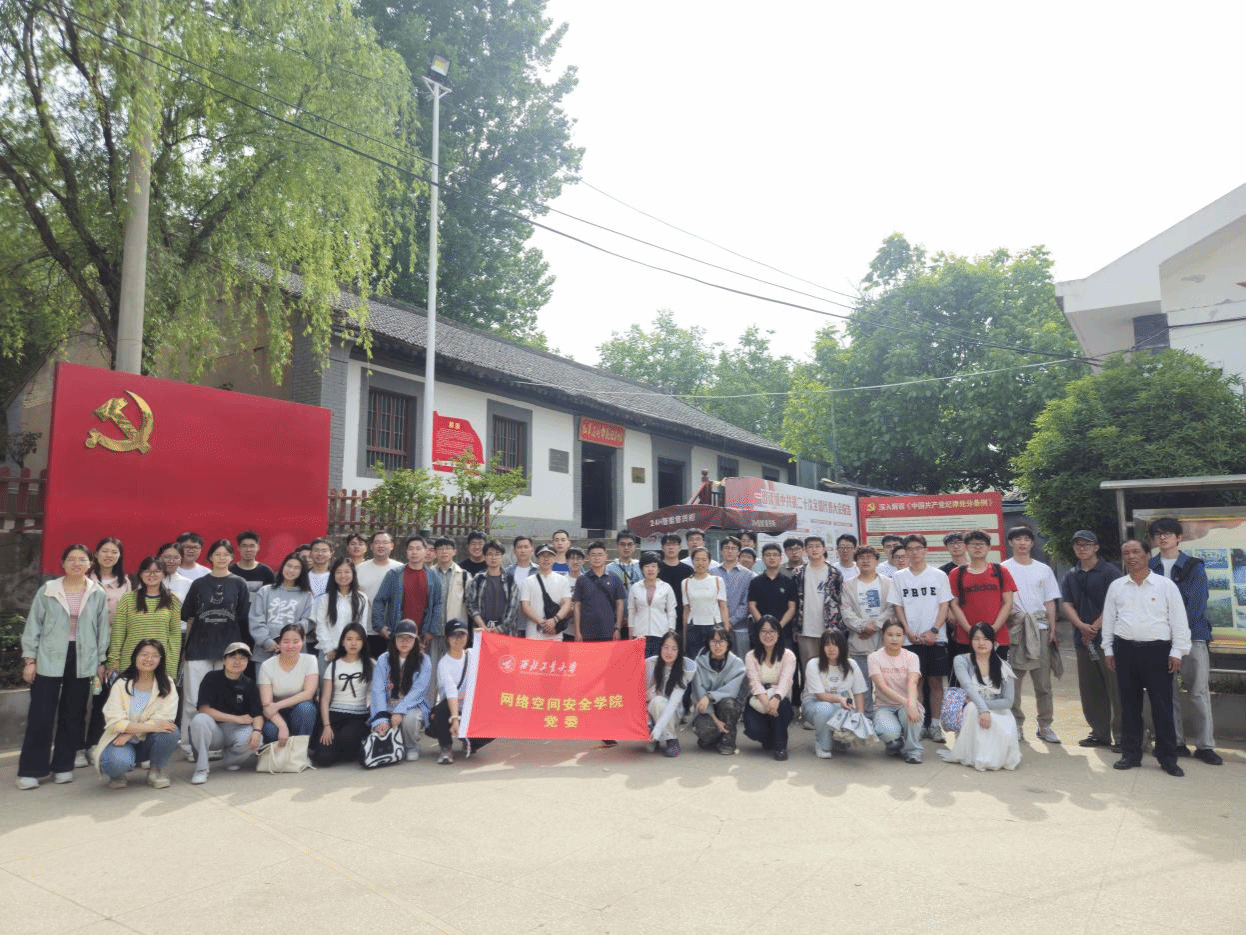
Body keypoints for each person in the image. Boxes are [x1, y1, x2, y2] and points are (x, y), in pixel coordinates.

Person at [17, 544, 109, 790]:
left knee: (74, 714)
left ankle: (63, 766)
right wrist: (30, 659)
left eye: (82, 559)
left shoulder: (97, 592)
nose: (77, 563)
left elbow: (102, 629)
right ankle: (31, 770)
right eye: (71, 559)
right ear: (63, 562)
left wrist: (100, 661)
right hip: (49, 657)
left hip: (83, 658)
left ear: (90, 563)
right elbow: (33, 625)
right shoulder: (48, 590)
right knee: (41, 714)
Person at [1103, 539, 1190, 776]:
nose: (1131, 557)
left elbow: (1179, 621)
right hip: (1125, 650)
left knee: (1162, 706)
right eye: (1126, 553)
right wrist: (1108, 650)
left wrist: (1177, 651)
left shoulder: (1165, 585)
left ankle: (1167, 757)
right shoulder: (1117, 586)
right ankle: (1131, 754)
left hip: (1158, 652)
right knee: (1129, 706)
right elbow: (1109, 620)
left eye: (1136, 552)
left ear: (1148, 555)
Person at [1148, 517, 1222, 765]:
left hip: (1193, 637)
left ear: (1179, 537)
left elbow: (1196, 605)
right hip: (1160, 640)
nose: (1163, 537)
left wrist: (1176, 634)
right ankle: (1176, 742)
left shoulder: (1194, 567)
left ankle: (1205, 746)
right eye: (1158, 533)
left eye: (1168, 533)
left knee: (1198, 692)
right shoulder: (1150, 566)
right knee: (1167, 694)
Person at [1060, 530, 1124, 751]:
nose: (1082, 548)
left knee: (1117, 689)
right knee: (1091, 689)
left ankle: (1123, 735)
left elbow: (1116, 604)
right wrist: (1081, 626)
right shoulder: (1070, 575)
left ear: (1096, 547)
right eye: (1078, 545)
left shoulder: (1110, 572)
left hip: (1109, 641)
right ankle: (1099, 733)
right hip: (1083, 641)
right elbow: (1067, 604)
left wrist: (1095, 627)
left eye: (1087, 544)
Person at [180, 539, 251, 734]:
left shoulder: (239, 583)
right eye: (217, 554)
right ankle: (189, 743)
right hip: (199, 647)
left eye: (226, 554)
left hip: (228, 648)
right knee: (193, 699)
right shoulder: (199, 584)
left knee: (222, 699)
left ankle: (218, 743)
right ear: (210, 557)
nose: (221, 558)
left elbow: (243, 616)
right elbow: (186, 613)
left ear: (232, 557)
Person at [888, 534, 951, 743]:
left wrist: (934, 630)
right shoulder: (899, 577)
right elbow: (897, 606)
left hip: (936, 638)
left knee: (935, 682)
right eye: (910, 549)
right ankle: (919, 724)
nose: (914, 552)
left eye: (918, 548)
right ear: (905, 552)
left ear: (925, 550)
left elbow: (944, 605)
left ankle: (935, 725)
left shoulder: (939, 575)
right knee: (915, 682)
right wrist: (907, 630)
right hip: (910, 638)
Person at [1003, 526, 1063, 744]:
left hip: (1040, 629)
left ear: (1032, 543)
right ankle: (1016, 725)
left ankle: (1045, 725)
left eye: (1026, 539)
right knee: (1013, 682)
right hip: (1015, 630)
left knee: (1043, 683)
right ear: (1010, 542)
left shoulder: (1043, 569)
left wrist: (1053, 629)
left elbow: (1050, 601)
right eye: (1017, 539)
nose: (1022, 543)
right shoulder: (1003, 569)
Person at [94, 639, 181, 789]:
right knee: (117, 762)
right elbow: (115, 723)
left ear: (161, 660)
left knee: (170, 731)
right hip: (119, 740)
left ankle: (155, 772)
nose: (149, 659)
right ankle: (116, 774)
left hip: (145, 740)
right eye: (144, 654)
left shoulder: (167, 684)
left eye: (155, 655)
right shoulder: (121, 684)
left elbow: (164, 720)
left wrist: (130, 733)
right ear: (135, 657)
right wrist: (146, 728)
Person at [938, 623, 1022, 771]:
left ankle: (993, 756)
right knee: (972, 708)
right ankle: (974, 755)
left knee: (1001, 723)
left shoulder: (1004, 667)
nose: (981, 643)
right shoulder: (961, 660)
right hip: (972, 708)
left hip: (998, 709)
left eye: (985, 639)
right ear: (971, 641)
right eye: (976, 639)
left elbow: (1008, 701)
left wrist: (985, 707)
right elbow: (968, 687)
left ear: (994, 642)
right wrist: (982, 710)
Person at [83, 536, 131, 761]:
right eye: (105, 551)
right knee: (82, 696)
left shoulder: (125, 581)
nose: (109, 555)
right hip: (87, 644)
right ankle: (81, 746)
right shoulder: (85, 579)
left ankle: (100, 743)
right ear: (96, 554)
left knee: (106, 696)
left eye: (114, 552)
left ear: (120, 556)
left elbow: (127, 616)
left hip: (115, 645)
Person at [188, 642, 264, 784]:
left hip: (235, 731)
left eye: (242, 658)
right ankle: (201, 769)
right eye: (232, 657)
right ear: (224, 660)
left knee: (258, 739)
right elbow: (204, 709)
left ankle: (230, 760)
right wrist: (236, 719)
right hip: (213, 730)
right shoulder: (211, 678)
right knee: (199, 720)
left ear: (247, 662)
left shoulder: (249, 684)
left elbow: (257, 714)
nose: (237, 661)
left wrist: (257, 730)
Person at [947, 530, 1016, 671]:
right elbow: (954, 604)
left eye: (981, 544)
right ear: (966, 547)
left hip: (997, 637)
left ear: (989, 547)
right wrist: (971, 631)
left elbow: (1008, 603)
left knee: (997, 678)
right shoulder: (956, 574)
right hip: (966, 638)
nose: (977, 547)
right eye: (973, 544)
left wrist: (992, 629)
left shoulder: (1000, 571)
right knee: (967, 679)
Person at [107, 557, 183, 684]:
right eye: (147, 571)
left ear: (164, 574)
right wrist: (113, 662)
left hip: (160, 664)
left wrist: (170, 668)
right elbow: (118, 633)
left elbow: (174, 636)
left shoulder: (172, 601)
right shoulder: (128, 599)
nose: (152, 575)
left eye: (157, 571)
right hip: (130, 662)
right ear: (141, 574)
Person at [428, 619, 492, 763]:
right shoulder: (444, 663)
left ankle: (470, 743)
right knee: (441, 710)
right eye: (454, 635)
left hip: (471, 706)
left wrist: (483, 637)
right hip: (452, 707)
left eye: (462, 635)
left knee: (492, 720)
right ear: (447, 638)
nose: (458, 639)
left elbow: (492, 655)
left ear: (467, 636)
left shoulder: (473, 654)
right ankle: (446, 747)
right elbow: (451, 692)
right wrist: (455, 719)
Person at [840, 545, 892, 716]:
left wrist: (875, 625)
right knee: (862, 682)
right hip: (859, 638)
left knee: (886, 681)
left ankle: (885, 714)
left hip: (884, 638)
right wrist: (863, 626)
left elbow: (892, 608)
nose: (865, 561)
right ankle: (867, 715)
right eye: (861, 557)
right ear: (856, 561)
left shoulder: (888, 583)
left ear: (877, 561)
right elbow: (846, 611)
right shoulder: (848, 585)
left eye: (870, 557)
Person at [369, 619, 431, 760]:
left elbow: (419, 690)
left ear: (415, 640)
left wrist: (400, 711)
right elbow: (378, 689)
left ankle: (411, 746)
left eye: (409, 638)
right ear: (394, 639)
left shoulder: (424, 660)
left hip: (413, 706)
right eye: (400, 638)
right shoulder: (383, 659)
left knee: (410, 719)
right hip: (387, 705)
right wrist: (381, 716)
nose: (404, 642)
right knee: (380, 727)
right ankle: (394, 745)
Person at [372, 535, 445, 653]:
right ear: (406, 552)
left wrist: (432, 630)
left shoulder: (433, 577)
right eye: (411, 549)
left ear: (425, 551)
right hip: (397, 632)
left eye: (418, 548)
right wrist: (379, 626)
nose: (414, 552)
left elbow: (438, 604)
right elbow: (379, 600)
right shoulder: (394, 574)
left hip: (422, 634)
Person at [314, 623, 373, 766]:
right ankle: (338, 750)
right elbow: (325, 699)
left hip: (358, 716)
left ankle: (345, 749)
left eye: (358, 639)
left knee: (347, 737)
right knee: (323, 759)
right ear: (342, 642)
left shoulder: (370, 664)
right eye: (349, 639)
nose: (353, 643)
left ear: (363, 642)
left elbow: (377, 693)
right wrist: (326, 726)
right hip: (334, 716)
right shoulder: (334, 665)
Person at [802, 629, 867, 759]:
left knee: (850, 716)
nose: (831, 649)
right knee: (825, 709)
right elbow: (820, 696)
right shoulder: (813, 664)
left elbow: (859, 692)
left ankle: (837, 739)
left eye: (835, 644)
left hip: (842, 701)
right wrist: (840, 699)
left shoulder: (851, 664)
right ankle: (823, 744)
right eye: (827, 644)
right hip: (815, 703)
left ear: (842, 646)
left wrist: (860, 716)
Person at [869, 619, 923, 764]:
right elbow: (882, 687)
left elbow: (913, 682)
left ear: (903, 636)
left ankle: (913, 751)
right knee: (889, 731)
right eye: (890, 635)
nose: (894, 639)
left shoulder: (912, 657)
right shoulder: (874, 657)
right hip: (884, 706)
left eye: (898, 635)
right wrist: (907, 702)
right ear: (883, 635)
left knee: (912, 715)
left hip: (906, 704)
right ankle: (895, 743)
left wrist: (911, 704)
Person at [742, 615, 797, 760]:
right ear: (758, 633)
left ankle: (780, 747)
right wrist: (767, 704)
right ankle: (769, 739)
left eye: (772, 631)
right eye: (764, 631)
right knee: (753, 729)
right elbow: (754, 683)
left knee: (782, 707)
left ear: (778, 634)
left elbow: (785, 681)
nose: (768, 635)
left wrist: (776, 699)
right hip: (758, 700)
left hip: (780, 699)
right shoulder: (751, 656)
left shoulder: (788, 656)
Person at [249, 552, 315, 666]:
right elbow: (256, 619)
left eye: (296, 568)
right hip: (265, 653)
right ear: (283, 566)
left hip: (294, 652)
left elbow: (308, 621)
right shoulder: (265, 591)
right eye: (289, 566)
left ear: (302, 571)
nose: (291, 570)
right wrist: (267, 641)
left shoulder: (307, 596)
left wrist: (288, 641)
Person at [258, 624, 319, 745]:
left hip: (299, 710)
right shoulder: (267, 666)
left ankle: (300, 750)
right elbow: (267, 705)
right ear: (279, 643)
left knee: (306, 709)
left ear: (303, 642)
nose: (290, 646)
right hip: (276, 714)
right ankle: (278, 754)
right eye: (286, 641)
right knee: (270, 730)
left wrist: (277, 705)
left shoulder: (310, 660)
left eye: (296, 641)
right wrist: (282, 727)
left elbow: (308, 694)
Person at [791, 536, 846, 673]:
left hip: (829, 630)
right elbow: (794, 602)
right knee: (809, 669)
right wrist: (795, 627)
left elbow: (841, 601)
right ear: (805, 550)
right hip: (805, 630)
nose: (814, 549)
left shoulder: (834, 573)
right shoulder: (798, 573)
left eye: (817, 546)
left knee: (831, 668)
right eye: (810, 546)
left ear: (824, 549)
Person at [690, 626, 746, 754]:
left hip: (726, 707)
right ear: (708, 643)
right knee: (704, 730)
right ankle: (712, 738)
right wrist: (715, 720)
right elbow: (699, 693)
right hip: (707, 711)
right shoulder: (698, 663)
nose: (718, 645)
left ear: (728, 643)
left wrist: (709, 696)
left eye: (721, 641)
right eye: (714, 641)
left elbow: (731, 691)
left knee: (729, 703)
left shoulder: (737, 664)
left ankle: (728, 742)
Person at [645, 631, 696, 757]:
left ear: (679, 651)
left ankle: (671, 739)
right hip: (650, 710)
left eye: (674, 649)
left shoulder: (683, 670)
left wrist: (657, 731)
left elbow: (672, 704)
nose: (669, 652)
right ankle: (653, 736)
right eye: (666, 647)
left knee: (658, 701)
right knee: (653, 701)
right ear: (660, 647)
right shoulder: (652, 663)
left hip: (673, 713)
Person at [313, 557, 371, 664]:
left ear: (353, 574)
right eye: (338, 572)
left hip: (352, 651)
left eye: (347, 572)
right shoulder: (326, 598)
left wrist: (353, 647)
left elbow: (361, 627)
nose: (343, 576)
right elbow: (321, 625)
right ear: (333, 575)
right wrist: (328, 649)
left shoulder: (362, 598)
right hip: (327, 651)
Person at [747, 542, 797, 665]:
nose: (772, 558)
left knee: (785, 664)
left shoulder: (789, 582)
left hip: (783, 631)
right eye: (768, 555)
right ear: (763, 558)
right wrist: (764, 626)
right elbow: (752, 605)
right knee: (761, 664)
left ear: (780, 558)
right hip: (761, 632)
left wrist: (778, 627)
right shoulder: (755, 582)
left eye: (775, 555)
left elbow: (792, 607)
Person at [573, 542, 626, 642]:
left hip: (609, 631)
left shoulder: (615, 578)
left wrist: (618, 628)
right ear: (588, 557)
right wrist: (577, 631)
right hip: (586, 632)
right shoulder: (581, 580)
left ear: (606, 557)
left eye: (600, 554)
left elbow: (620, 604)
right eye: (593, 555)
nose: (596, 558)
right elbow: (577, 606)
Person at [682, 547, 729, 661]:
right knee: (694, 659)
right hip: (693, 627)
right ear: (692, 561)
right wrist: (684, 635)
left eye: (704, 560)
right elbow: (686, 610)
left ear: (709, 561)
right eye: (697, 559)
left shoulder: (717, 580)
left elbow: (723, 607)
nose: (700, 563)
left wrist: (726, 631)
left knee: (715, 658)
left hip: (714, 625)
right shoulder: (686, 582)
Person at [467, 540, 522, 635]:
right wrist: (483, 627)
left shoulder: (510, 580)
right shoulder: (478, 579)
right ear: (484, 557)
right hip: (481, 631)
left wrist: (498, 629)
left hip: (505, 633)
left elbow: (513, 609)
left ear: (502, 557)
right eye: (490, 554)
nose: (493, 557)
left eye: (497, 554)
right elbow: (471, 605)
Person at [628, 552, 677, 657]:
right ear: (642, 569)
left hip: (661, 633)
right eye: (647, 566)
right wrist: (631, 632)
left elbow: (671, 611)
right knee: (641, 663)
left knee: (658, 664)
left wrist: (671, 631)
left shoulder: (666, 587)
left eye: (653, 566)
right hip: (640, 634)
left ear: (658, 569)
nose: (650, 569)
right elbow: (631, 611)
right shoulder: (635, 588)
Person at [521, 544, 573, 641]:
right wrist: (542, 622)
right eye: (542, 556)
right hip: (533, 633)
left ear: (554, 558)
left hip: (555, 633)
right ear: (537, 558)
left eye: (549, 556)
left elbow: (567, 603)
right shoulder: (528, 581)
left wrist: (554, 620)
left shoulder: (563, 580)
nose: (546, 559)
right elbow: (525, 606)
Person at [713, 536, 754, 652]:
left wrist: (731, 621)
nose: (730, 551)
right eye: (726, 548)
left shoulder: (748, 575)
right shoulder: (713, 573)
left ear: (739, 552)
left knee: (741, 658)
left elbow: (746, 603)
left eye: (733, 548)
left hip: (740, 627)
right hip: (717, 626)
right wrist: (722, 622)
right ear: (721, 551)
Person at [656, 533, 693, 636]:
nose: (671, 547)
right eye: (667, 544)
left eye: (674, 544)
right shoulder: (656, 570)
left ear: (680, 547)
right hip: (660, 619)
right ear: (662, 548)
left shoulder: (688, 571)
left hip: (683, 618)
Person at [355, 531, 405, 602]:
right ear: (371, 546)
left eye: (385, 542)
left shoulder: (400, 569)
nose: (381, 546)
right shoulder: (359, 568)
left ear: (392, 546)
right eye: (377, 542)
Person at [230, 530, 275, 595]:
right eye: (244, 546)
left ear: (258, 548)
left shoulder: (266, 572)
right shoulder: (230, 570)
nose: (248, 550)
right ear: (238, 548)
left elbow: (270, 596)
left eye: (252, 546)